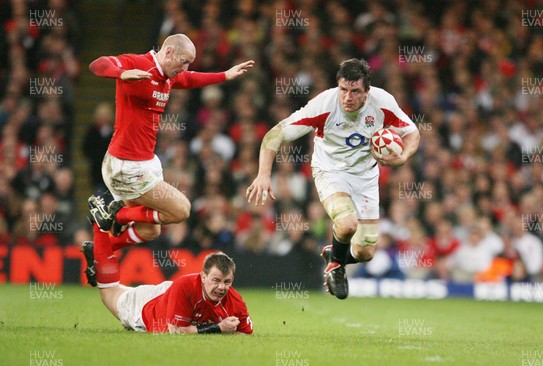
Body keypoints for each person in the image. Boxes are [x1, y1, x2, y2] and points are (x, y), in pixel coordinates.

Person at [86, 34, 253, 288]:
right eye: (184, 61)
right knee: (181, 210)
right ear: (169, 52)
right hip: (126, 165)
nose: (185, 68)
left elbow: (189, 78)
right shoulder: (139, 63)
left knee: (150, 230)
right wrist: (121, 74)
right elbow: (97, 64)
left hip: (141, 163)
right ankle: (116, 214)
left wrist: (224, 75)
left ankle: (101, 248)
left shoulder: (168, 76)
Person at [246, 59, 420, 299]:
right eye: (343, 90)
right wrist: (264, 174)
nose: (347, 97)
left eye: (355, 91)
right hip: (330, 171)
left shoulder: (383, 103)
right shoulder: (323, 106)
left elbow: (412, 132)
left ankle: (334, 255)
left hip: (366, 177)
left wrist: (403, 158)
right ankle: (336, 268)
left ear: (366, 92)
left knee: (365, 252)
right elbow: (274, 134)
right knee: (347, 223)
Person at [81, 244, 253, 334]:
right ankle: (98, 264)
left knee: (121, 289)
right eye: (216, 280)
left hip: (173, 293)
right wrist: (219, 328)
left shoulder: (235, 300)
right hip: (148, 307)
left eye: (227, 282)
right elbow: (176, 330)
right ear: (203, 277)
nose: (222, 287)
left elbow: (246, 333)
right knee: (109, 292)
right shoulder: (185, 285)